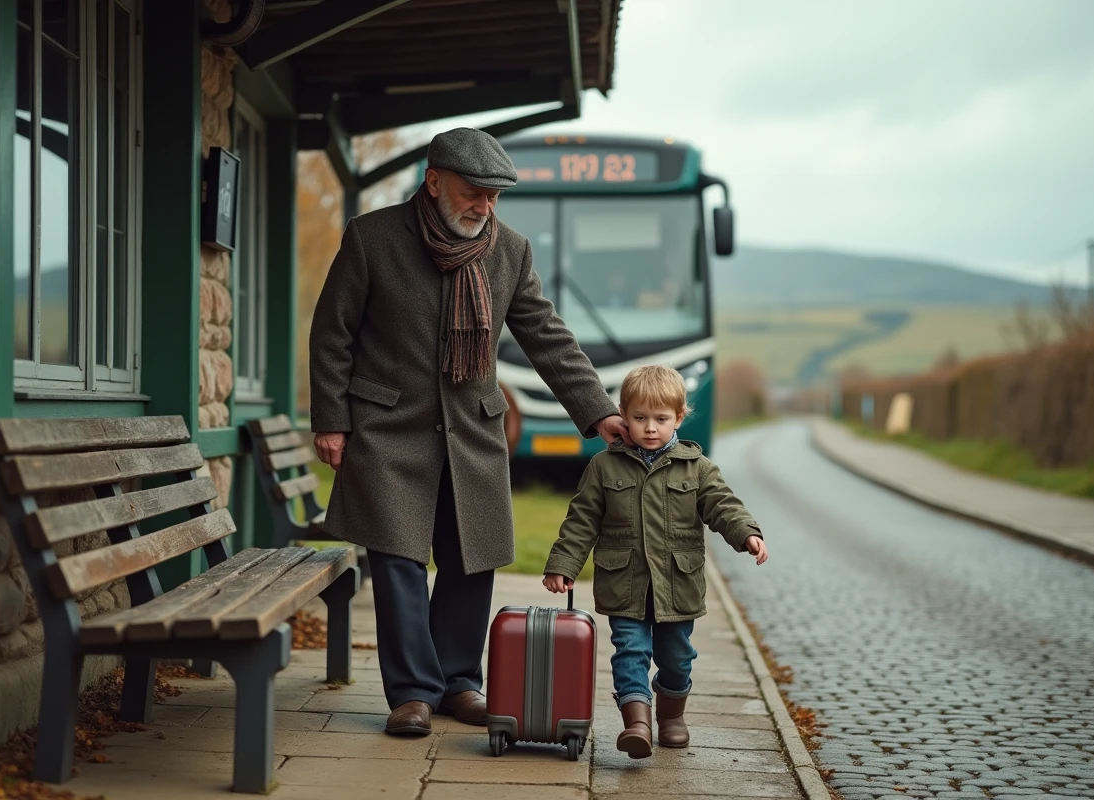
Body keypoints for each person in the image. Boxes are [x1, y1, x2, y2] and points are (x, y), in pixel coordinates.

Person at [308, 127, 630, 737]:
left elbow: (546, 335)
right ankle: (411, 694)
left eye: (494, 196)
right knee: (399, 561)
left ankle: (459, 681)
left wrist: (598, 409)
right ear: (434, 182)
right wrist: (332, 419)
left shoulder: (509, 250)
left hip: (473, 431)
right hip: (386, 428)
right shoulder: (372, 238)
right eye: (474, 192)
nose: (484, 206)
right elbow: (332, 336)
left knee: (469, 558)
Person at [542, 364, 769, 758]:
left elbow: (722, 505)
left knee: (677, 657)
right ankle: (637, 723)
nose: (650, 428)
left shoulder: (697, 468)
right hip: (624, 583)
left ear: (679, 417)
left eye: (661, 419)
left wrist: (746, 533)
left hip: (677, 585)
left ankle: (671, 717)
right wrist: (563, 564)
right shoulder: (604, 467)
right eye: (640, 418)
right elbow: (581, 520)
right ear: (622, 416)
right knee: (630, 650)